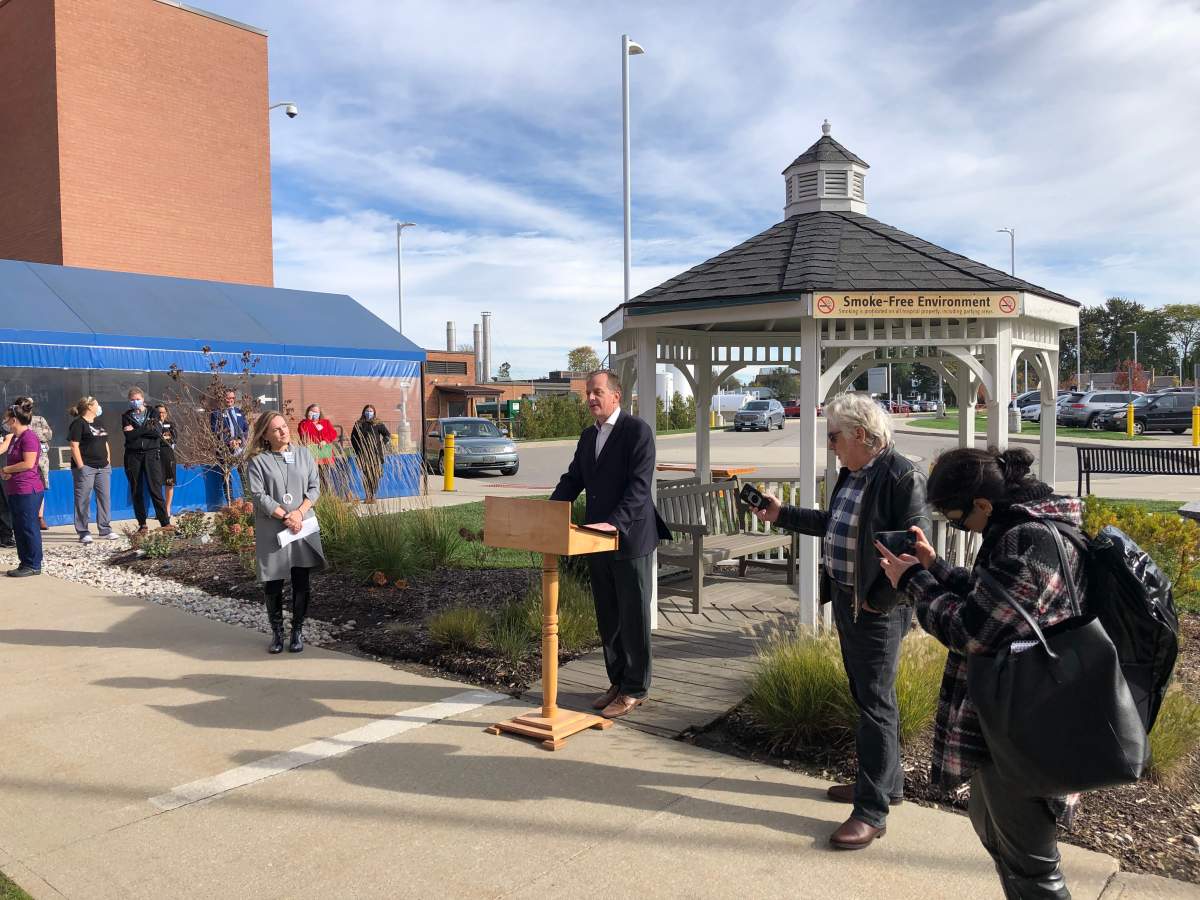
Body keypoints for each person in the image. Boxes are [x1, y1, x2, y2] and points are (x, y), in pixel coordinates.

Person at [875, 447, 1084, 900]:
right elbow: (995, 601)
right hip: (1013, 713)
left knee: (1031, 863)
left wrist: (913, 583)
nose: (956, 526)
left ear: (985, 505)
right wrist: (935, 569)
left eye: (955, 517)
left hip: (1027, 725)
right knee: (1001, 838)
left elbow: (971, 629)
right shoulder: (1024, 529)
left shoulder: (1031, 542)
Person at [752, 391, 930, 851]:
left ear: (860, 434)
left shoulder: (901, 475)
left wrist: (878, 602)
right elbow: (837, 523)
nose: (830, 445)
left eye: (833, 437)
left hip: (875, 609)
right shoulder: (854, 473)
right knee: (869, 698)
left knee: (874, 705)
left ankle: (872, 811)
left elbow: (913, 549)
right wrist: (781, 514)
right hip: (851, 602)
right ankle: (884, 786)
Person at [549, 370, 672, 719]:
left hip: (630, 538)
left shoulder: (638, 432)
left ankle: (635, 688)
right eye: (588, 393)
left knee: (633, 617)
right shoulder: (588, 436)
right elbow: (573, 479)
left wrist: (613, 524)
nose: (591, 398)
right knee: (609, 616)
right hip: (594, 540)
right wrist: (550, 511)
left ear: (616, 396)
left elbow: (638, 488)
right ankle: (617, 681)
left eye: (597, 392)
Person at [244, 412, 325, 654]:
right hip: (274, 528)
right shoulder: (258, 461)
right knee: (273, 581)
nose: (283, 431)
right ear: (265, 436)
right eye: (276, 429)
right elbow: (258, 496)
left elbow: (314, 487)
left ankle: (297, 631)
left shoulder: (303, 454)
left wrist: (299, 514)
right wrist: (285, 516)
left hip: (301, 528)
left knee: (301, 579)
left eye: (284, 426)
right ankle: (277, 633)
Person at [1, 399, 45, 576]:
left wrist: (6, 469)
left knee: (28, 526)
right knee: (18, 527)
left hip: (28, 490)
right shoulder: (15, 439)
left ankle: (34, 564)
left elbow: (28, 463)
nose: (4, 422)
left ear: (14, 420)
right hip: (15, 489)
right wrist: (8, 473)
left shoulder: (29, 437)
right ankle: (24, 562)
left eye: (6, 419)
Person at [122, 387, 172, 534]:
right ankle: (142, 524)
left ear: (143, 399)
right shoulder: (126, 415)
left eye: (138, 399)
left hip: (151, 454)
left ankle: (165, 522)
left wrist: (137, 431)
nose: (135, 402)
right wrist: (146, 429)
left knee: (155, 488)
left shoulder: (153, 412)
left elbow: (156, 432)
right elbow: (129, 437)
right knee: (136, 490)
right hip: (133, 456)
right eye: (132, 400)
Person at [68, 397, 118, 544]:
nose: (99, 406)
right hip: (86, 467)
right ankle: (83, 531)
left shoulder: (99, 423)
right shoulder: (78, 424)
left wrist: (108, 460)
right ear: (89, 407)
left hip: (103, 467)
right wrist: (81, 466)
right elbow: (74, 446)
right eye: (97, 404)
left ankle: (105, 528)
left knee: (104, 498)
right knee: (83, 499)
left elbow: (105, 442)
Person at [210, 389, 249, 503]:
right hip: (225, 449)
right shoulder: (216, 413)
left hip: (240, 448)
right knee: (226, 476)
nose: (230, 400)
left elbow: (246, 429)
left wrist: (240, 441)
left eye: (232, 398)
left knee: (244, 473)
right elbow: (215, 430)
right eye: (228, 398)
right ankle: (230, 502)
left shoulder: (239, 412)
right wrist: (229, 442)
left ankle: (248, 498)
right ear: (223, 399)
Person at [351, 404, 391, 504]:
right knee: (366, 475)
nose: (369, 413)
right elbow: (353, 438)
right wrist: (358, 449)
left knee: (375, 475)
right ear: (364, 412)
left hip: (376, 454)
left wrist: (383, 442)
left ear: (374, 412)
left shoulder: (377, 423)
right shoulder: (359, 424)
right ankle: (367, 496)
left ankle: (373, 495)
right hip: (364, 454)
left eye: (371, 411)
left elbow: (387, 434)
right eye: (367, 411)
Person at [298, 403, 338, 495]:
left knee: (324, 476)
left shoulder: (325, 422)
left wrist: (325, 440)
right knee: (313, 476)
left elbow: (333, 433)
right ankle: (314, 495)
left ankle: (325, 495)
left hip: (324, 453)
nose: (314, 414)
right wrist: (308, 420)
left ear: (320, 413)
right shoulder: (304, 423)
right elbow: (302, 434)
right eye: (312, 411)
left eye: (316, 412)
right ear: (308, 412)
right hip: (312, 453)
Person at [26, 402, 53, 531]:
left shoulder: (40, 419)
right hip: (23, 460)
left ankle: (40, 517)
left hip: (41, 459)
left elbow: (49, 435)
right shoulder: (15, 421)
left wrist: (34, 436)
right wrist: (37, 435)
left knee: (41, 487)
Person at [156, 404, 177, 517]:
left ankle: (167, 509)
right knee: (157, 484)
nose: (161, 414)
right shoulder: (152, 425)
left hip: (169, 457)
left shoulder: (171, 424)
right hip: (156, 457)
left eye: (163, 412)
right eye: (159, 412)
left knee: (169, 483)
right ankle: (160, 510)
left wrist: (165, 438)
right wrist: (163, 437)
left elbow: (174, 438)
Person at [0, 417, 13, 549]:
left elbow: (7, 443)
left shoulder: (4, 425)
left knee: (4, 504)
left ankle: (6, 537)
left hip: (2, 469)